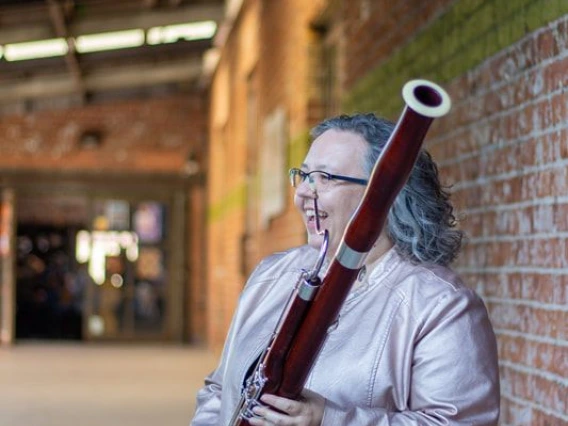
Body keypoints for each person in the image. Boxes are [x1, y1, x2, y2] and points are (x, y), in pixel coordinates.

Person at [190, 113, 500, 425]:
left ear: (383, 194)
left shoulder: (441, 304)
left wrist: (328, 420)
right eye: (304, 175)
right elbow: (220, 390)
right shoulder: (271, 274)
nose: (302, 194)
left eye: (326, 178)